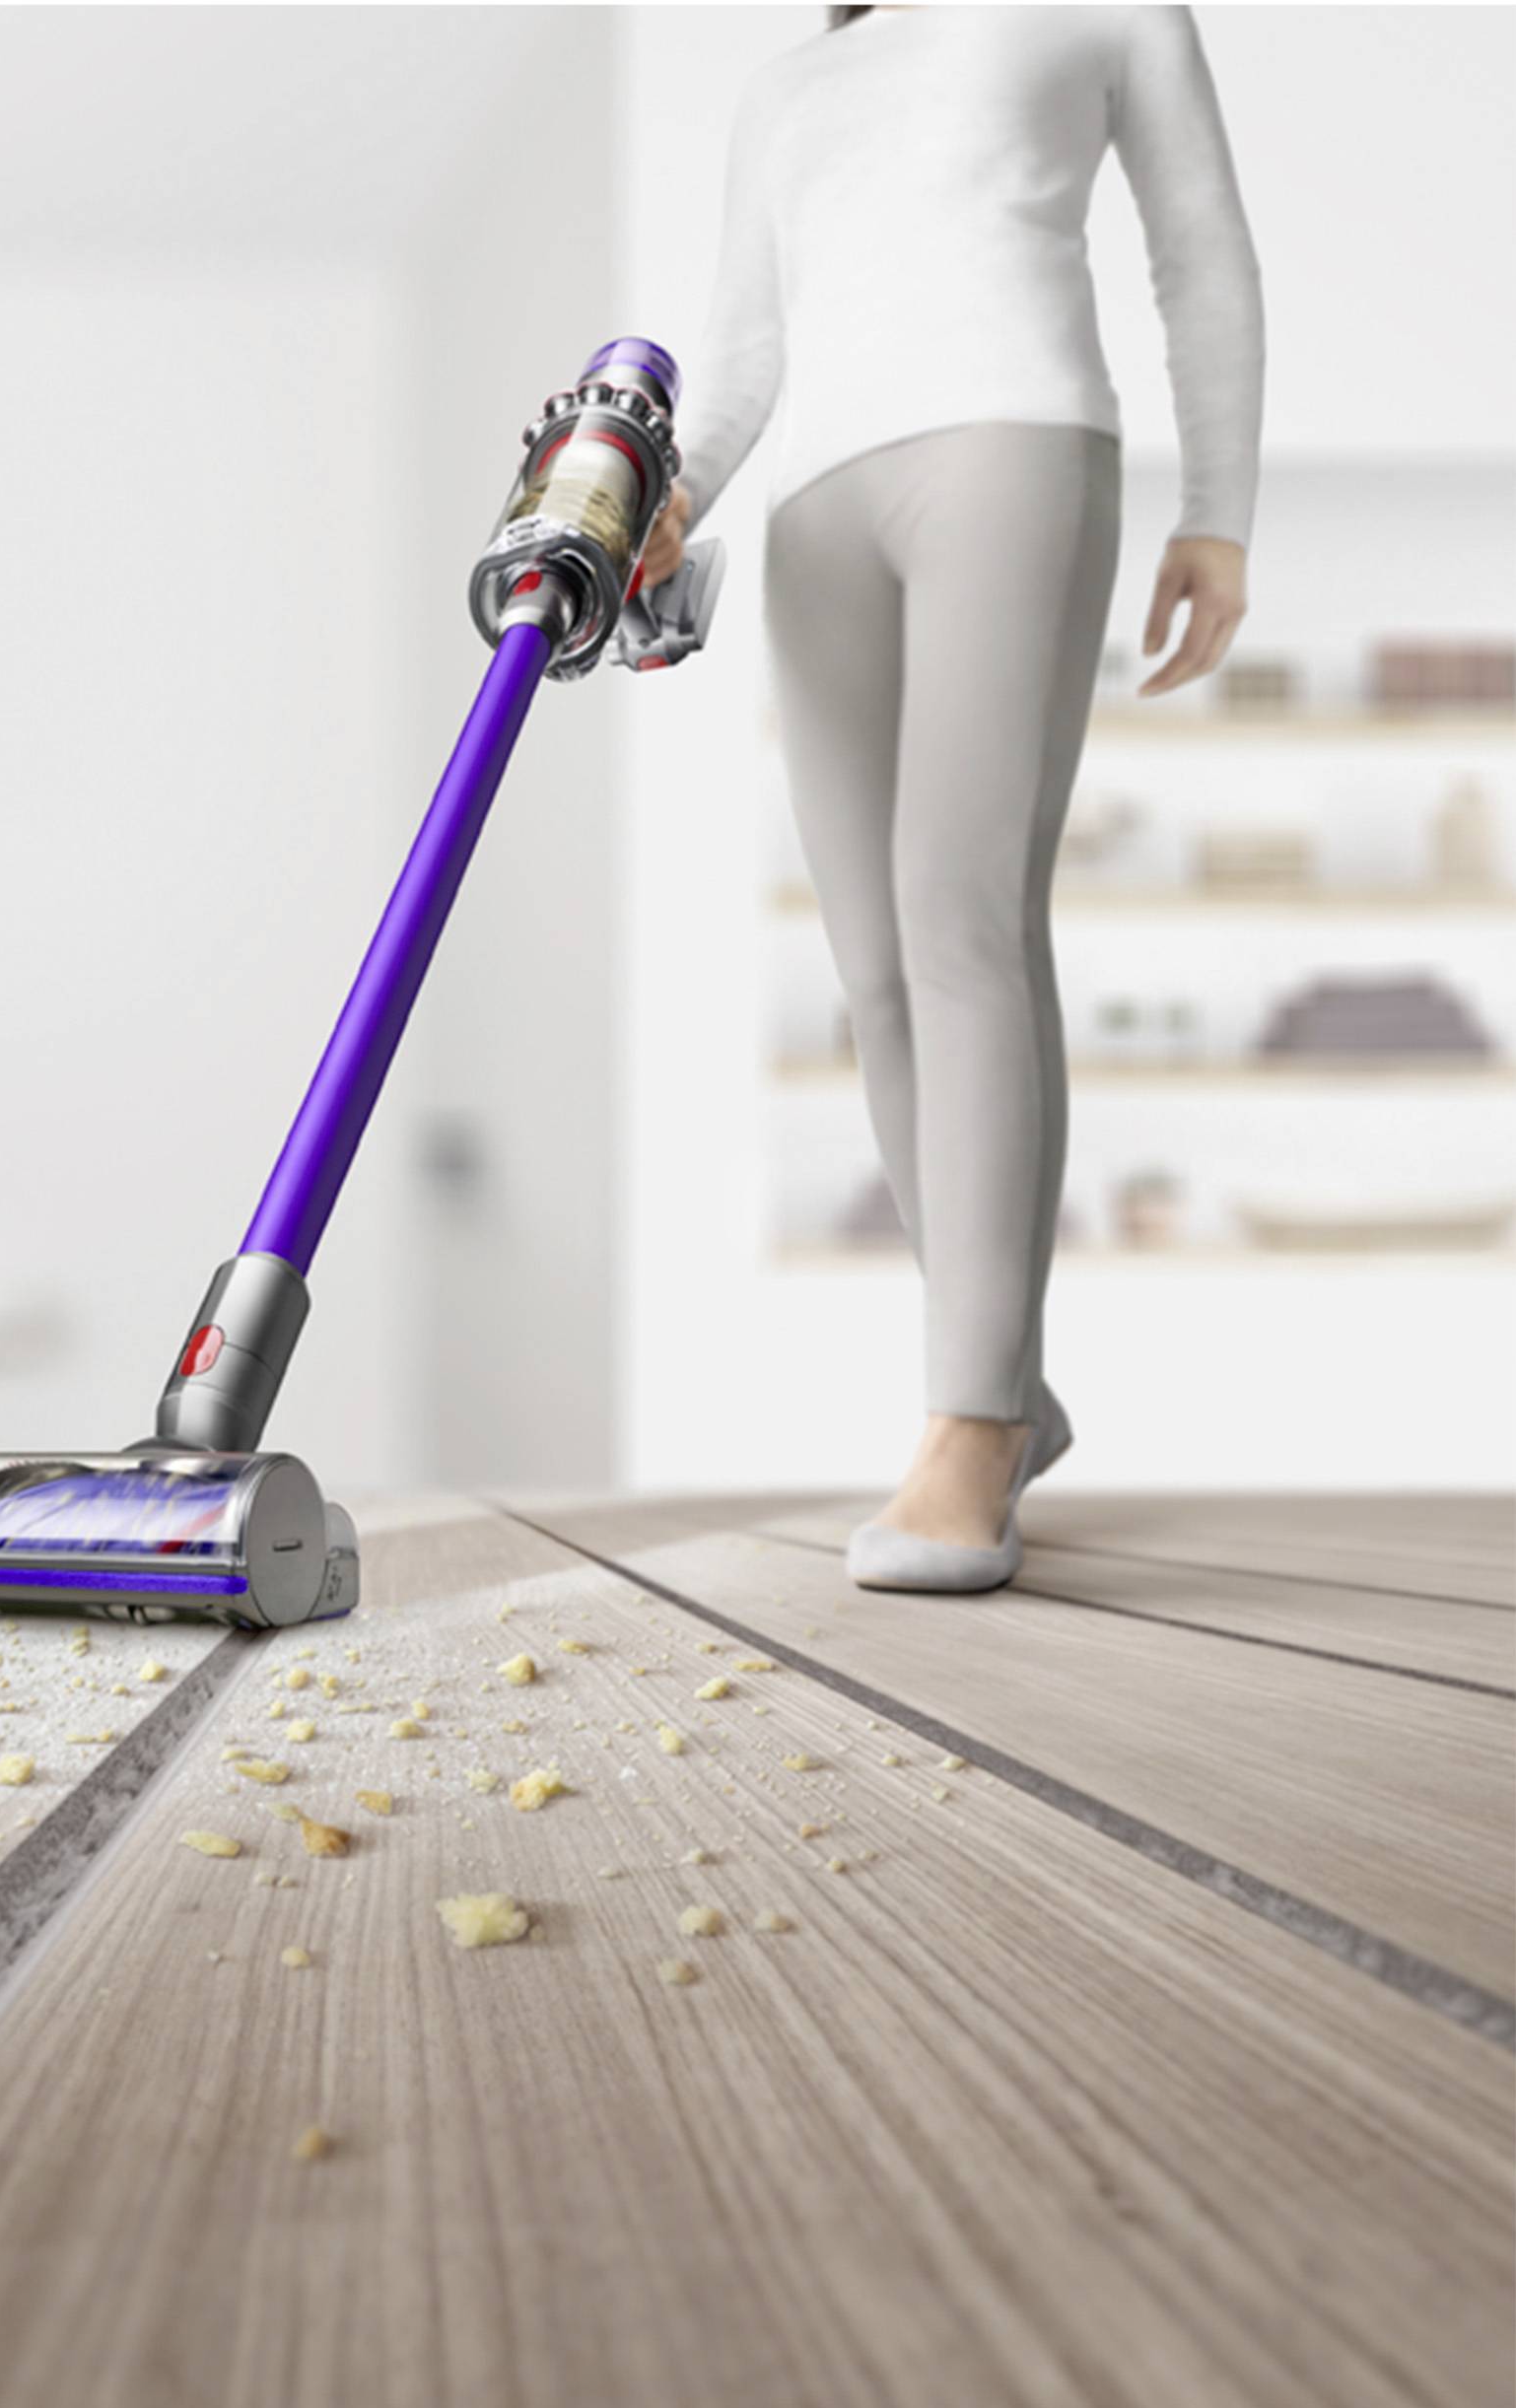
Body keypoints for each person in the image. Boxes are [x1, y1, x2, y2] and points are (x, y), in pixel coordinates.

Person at [638, 4, 1263, 1591]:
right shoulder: (787, 84)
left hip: (1012, 441)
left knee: (964, 922)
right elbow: (746, 351)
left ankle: (969, 1424)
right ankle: (1008, 1385)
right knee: (874, 972)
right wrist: (670, 500)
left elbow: (1198, 251)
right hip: (818, 514)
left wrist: (1219, 513)